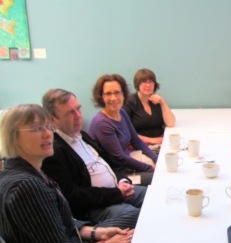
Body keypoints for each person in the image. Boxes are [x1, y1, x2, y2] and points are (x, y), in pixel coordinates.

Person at [0, 104, 134, 243]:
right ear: (12, 137)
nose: (48, 134)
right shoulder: (26, 186)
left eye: (48, 126)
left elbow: (54, 222)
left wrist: (96, 232)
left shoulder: (25, 172)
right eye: (36, 128)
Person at [41, 89, 146, 228]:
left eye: (78, 109)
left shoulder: (82, 135)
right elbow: (73, 196)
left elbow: (109, 164)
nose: (78, 116)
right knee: (137, 215)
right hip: (94, 207)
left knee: (154, 195)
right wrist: (117, 193)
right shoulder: (53, 152)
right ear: (53, 120)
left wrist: (123, 180)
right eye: (70, 112)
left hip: (116, 189)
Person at [89, 74, 157, 186]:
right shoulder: (102, 123)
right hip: (119, 175)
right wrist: (150, 168)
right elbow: (120, 158)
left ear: (123, 94)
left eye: (117, 92)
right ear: (101, 97)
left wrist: (156, 159)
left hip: (129, 163)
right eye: (108, 93)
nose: (113, 98)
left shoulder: (122, 113)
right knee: (157, 178)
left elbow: (136, 141)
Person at [124, 68, 175, 148]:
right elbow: (125, 131)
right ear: (137, 84)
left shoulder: (156, 100)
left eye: (150, 82)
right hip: (140, 145)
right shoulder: (129, 102)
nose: (148, 85)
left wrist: (162, 102)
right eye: (144, 82)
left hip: (160, 143)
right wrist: (151, 140)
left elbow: (170, 123)